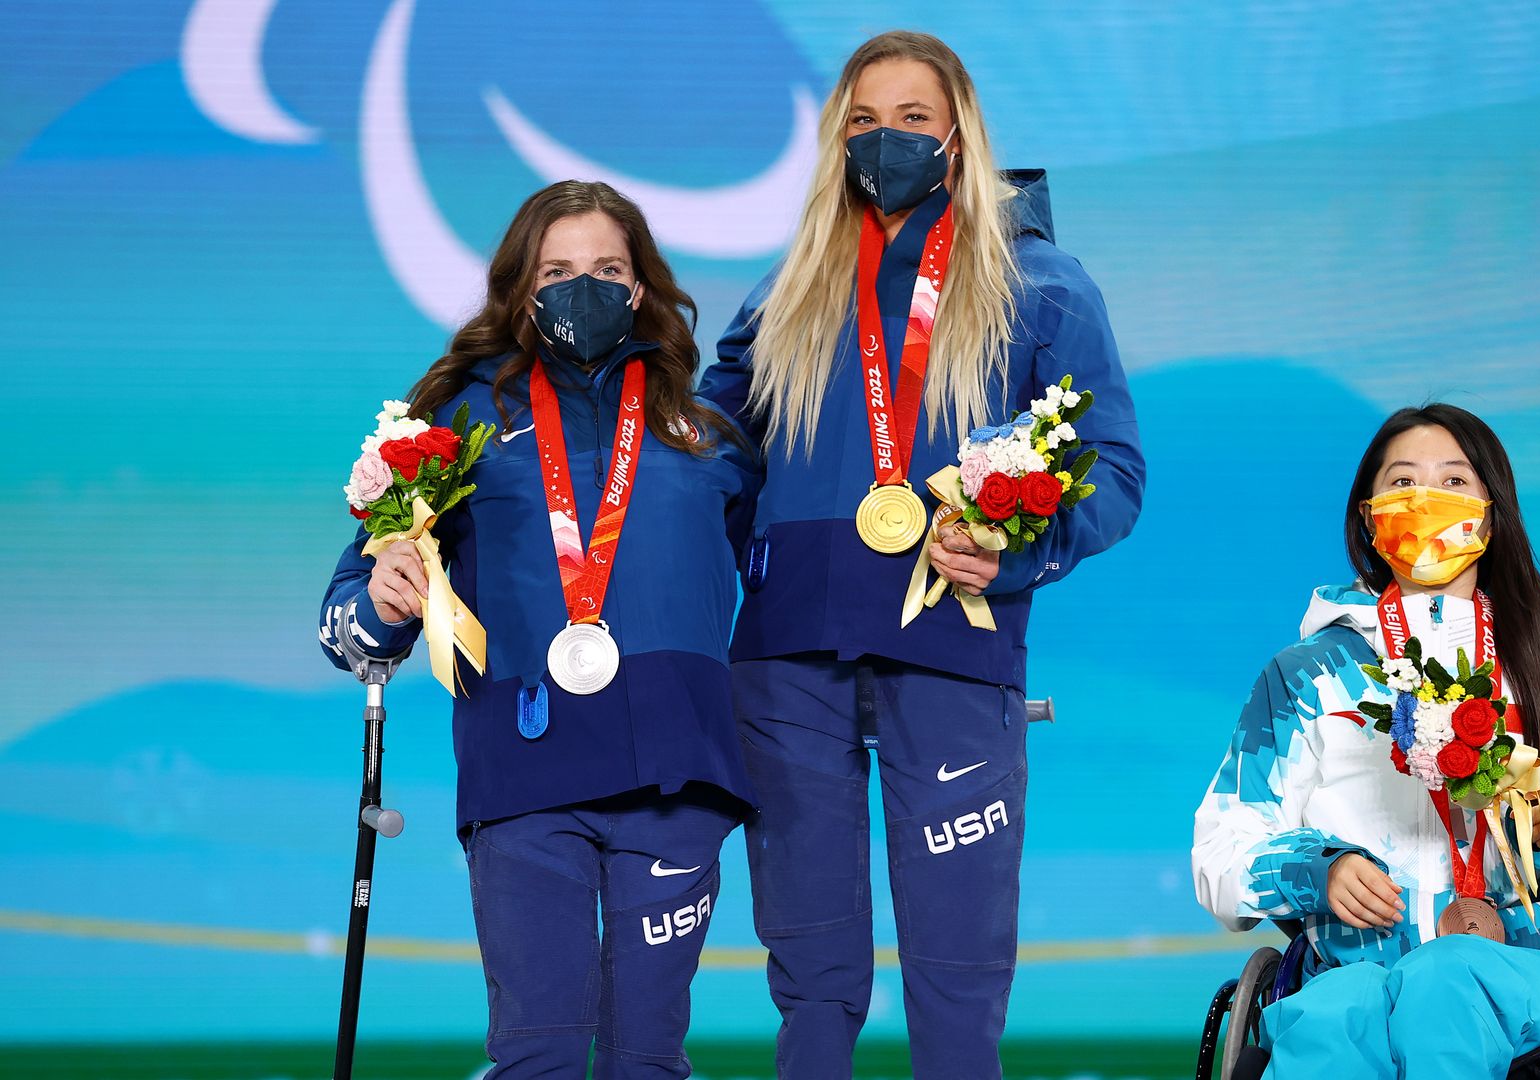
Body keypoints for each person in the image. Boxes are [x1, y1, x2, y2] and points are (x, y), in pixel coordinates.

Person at [698, 30, 1146, 1080]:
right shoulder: (785, 295)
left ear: (959, 138)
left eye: (911, 118)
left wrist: (1019, 551)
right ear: (833, 141)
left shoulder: (1041, 286)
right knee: (809, 967)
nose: (884, 138)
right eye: (862, 119)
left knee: (956, 962)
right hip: (787, 653)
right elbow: (712, 467)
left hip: (950, 635)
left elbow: (1115, 472)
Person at [318, 180, 756, 1079]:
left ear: (641, 288)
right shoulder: (453, 426)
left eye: (606, 268)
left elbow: (773, 584)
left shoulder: (708, 433)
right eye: (556, 270)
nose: (581, 287)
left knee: (646, 1057)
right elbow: (348, 628)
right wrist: (385, 602)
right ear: (520, 290)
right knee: (538, 1055)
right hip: (525, 769)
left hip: (676, 770)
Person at [1191, 403, 1540, 1077]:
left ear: (1492, 516)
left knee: (1446, 979)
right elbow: (1220, 852)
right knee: (1327, 1015)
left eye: (1454, 482)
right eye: (1401, 482)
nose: (1424, 499)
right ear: (1368, 517)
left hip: (1519, 977)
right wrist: (1318, 871)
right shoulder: (1309, 676)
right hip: (1350, 971)